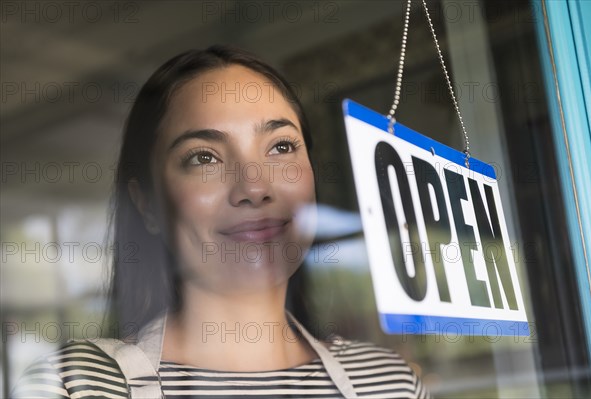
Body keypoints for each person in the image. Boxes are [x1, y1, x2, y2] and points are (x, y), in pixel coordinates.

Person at [12, 45, 429, 399]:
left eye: (281, 146)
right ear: (147, 205)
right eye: (203, 157)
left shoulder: (391, 384)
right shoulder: (75, 385)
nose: (254, 186)